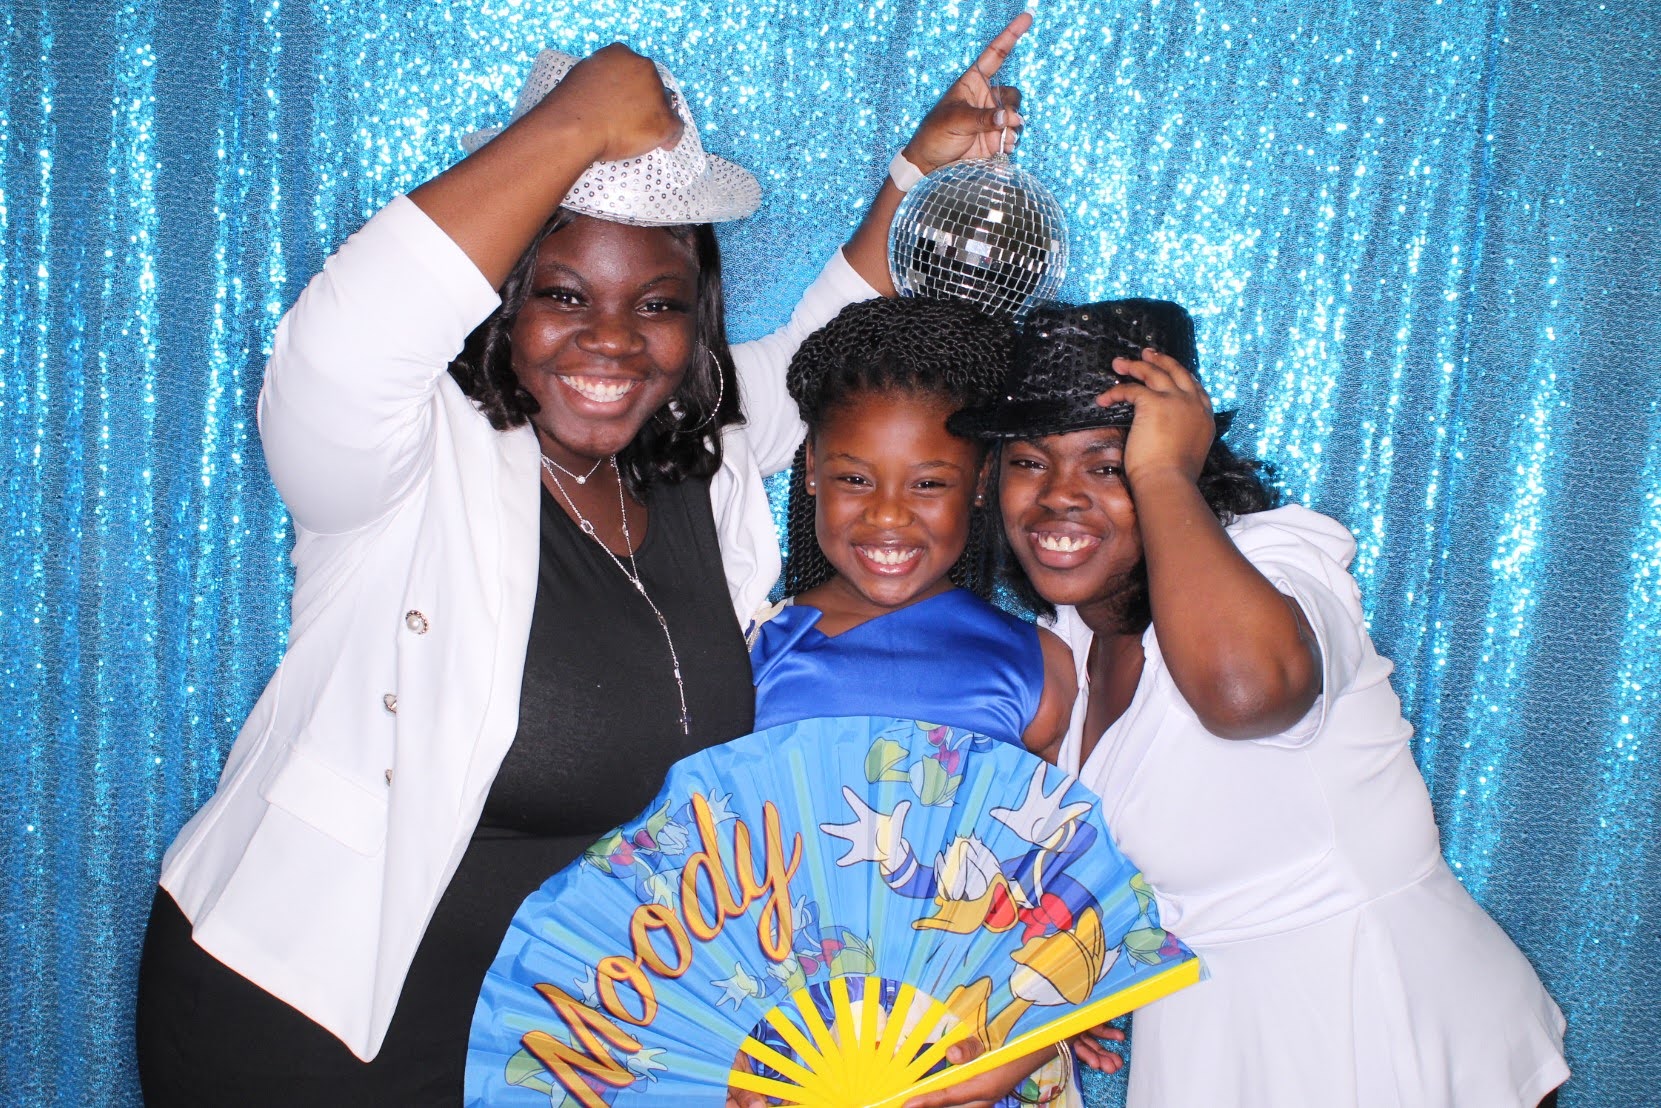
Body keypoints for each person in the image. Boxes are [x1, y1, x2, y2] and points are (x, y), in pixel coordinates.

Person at [134, 19, 1034, 1104]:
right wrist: (578, 121)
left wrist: (914, 175)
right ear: (503, 300)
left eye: (655, 304)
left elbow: (820, 353)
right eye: (563, 295)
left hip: (548, 1051)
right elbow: (339, 341)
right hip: (307, 1023)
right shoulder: (402, 462)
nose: (612, 339)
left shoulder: (696, 453)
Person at [951, 298, 1571, 1107]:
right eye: (1029, 463)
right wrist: (1057, 999)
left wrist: (1161, 475)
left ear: (1181, 456)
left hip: (1379, 1035)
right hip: (1214, 1045)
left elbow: (1244, 697)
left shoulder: (1277, 562)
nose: (1058, 496)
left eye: (1106, 465)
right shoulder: (1067, 640)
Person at [741, 294, 1081, 1106]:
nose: (887, 514)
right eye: (853, 478)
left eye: (928, 482)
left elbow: (1065, 881)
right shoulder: (751, 654)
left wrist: (1040, 1029)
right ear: (810, 471)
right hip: (784, 1052)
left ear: (980, 483)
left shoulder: (1035, 665)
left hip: (982, 1052)